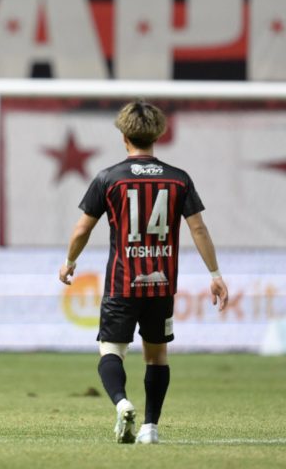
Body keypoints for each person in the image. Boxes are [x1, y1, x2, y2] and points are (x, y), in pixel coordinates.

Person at [58, 100, 229, 445]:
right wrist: (215, 274)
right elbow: (198, 229)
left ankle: (122, 403)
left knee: (111, 350)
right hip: (161, 285)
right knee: (157, 355)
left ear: (124, 136)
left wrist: (70, 261)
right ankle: (150, 428)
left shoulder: (109, 178)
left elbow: (82, 229)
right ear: (158, 135)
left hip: (122, 283)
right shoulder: (178, 179)